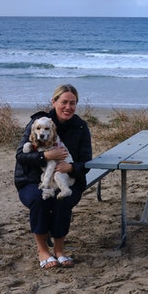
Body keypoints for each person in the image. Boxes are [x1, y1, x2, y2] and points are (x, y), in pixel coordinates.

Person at [14, 84, 92, 269]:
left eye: (72, 103)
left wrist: (70, 167)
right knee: (39, 199)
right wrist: (46, 156)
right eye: (64, 102)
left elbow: (86, 162)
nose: (68, 107)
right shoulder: (38, 122)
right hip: (31, 180)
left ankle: (59, 250)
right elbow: (20, 155)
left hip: (67, 179)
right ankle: (43, 251)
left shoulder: (80, 127)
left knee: (62, 202)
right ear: (54, 102)